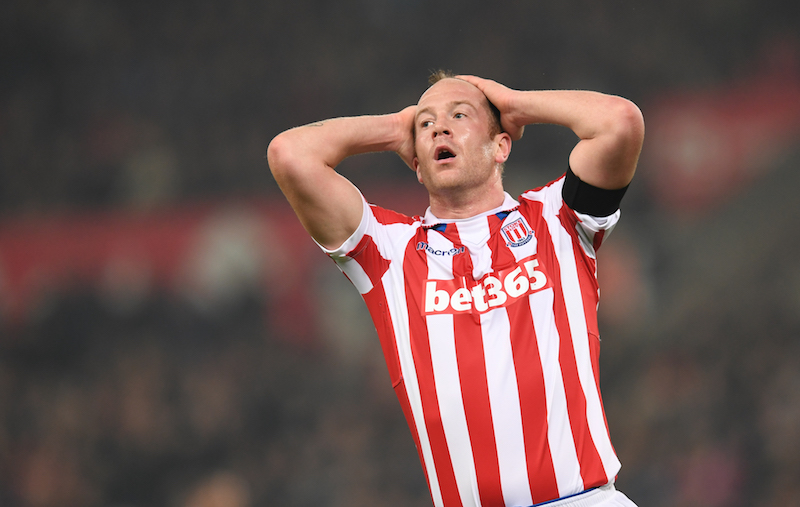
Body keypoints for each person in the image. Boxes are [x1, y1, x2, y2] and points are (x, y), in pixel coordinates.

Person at [267, 71, 645, 507]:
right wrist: (397, 128)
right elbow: (289, 154)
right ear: (417, 165)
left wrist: (515, 104)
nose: (439, 128)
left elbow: (619, 122)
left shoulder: (557, 218)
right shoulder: (390, 250)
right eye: (427, 124)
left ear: (501, 146)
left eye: (459, 116)